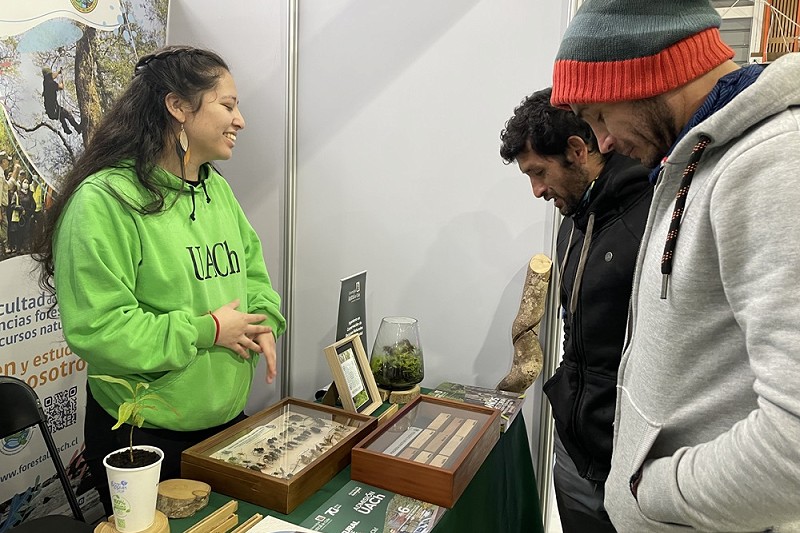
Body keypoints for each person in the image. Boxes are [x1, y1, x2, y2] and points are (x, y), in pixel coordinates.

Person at [551, 1, 800, 530]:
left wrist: (650, 491)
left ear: (648, 74)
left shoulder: (773, 163)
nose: (603, 142)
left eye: (599, 115)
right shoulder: (693, 164)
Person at [32, 45, 286, 516]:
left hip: (224, 429)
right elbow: (100, 328)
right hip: (145, 443)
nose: (240, 120)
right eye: (227, 105)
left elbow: (252, 273)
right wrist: (208, 330)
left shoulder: (215, 188)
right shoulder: (104, 201)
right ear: (177, 106)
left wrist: (263, 320)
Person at [500, 88, 651, 533]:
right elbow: (574, 329)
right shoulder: (573, 224)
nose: (537, 190)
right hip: (574, 452)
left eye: (539, 172)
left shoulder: (648, 217)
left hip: (630, 462)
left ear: (577, 150)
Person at [42, 67, 82, 135]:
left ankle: (66, 129)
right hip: (54, 110)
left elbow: (53, 76)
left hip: (51, 111)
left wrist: (58, 72)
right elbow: (61, 87)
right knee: (67, 114)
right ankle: (77, 128)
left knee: (61, 115)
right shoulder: (51, 84)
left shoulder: (45, 82)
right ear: (49, 75)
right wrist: (61, 81)